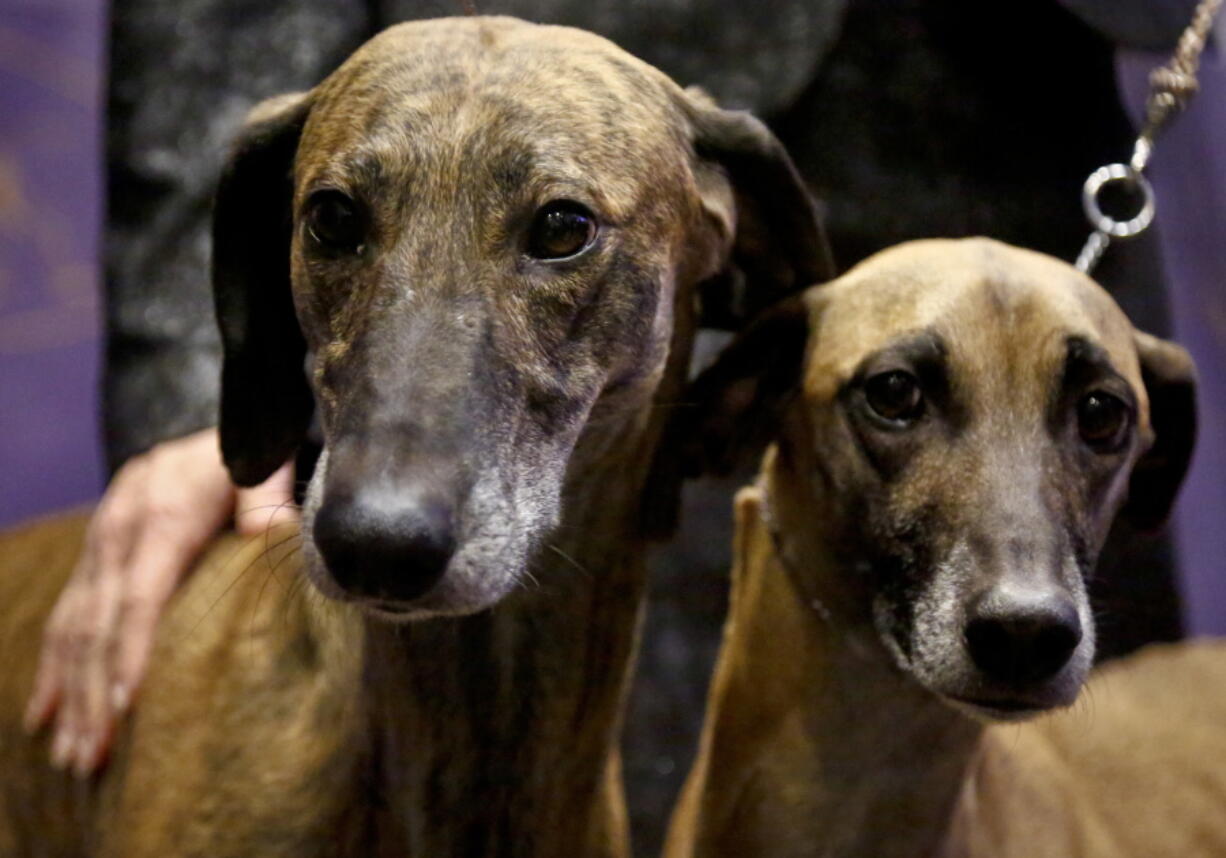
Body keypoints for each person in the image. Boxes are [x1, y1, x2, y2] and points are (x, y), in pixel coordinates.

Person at [26, 3, 1203, 851]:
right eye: (331, 223)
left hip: (966, 179)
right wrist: (202, 397)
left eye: (557, 233)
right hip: (449, 107)